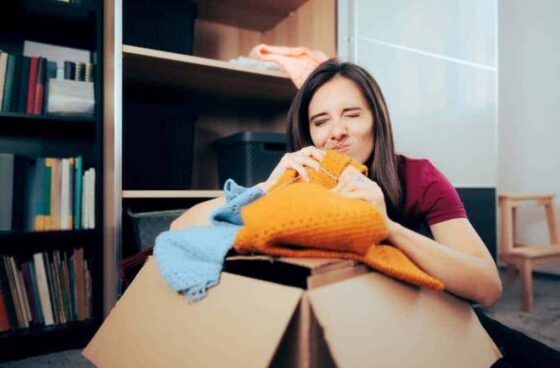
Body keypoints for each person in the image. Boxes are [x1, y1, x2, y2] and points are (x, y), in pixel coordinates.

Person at [170, 59, 502, 307]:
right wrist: (264, 188)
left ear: (377, 119)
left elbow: (487, 286)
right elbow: (179, 230)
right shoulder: (302, 179)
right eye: (321, 121)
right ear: (309, 133)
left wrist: (385, 227)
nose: (336, 132)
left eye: (352, 114)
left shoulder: (418, 176)